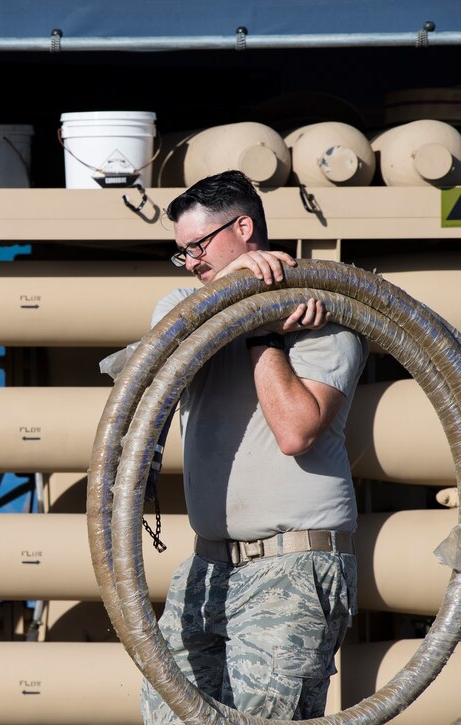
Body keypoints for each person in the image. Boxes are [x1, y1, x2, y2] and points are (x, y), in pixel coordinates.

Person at [139, 170, 369, 722]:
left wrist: (264, 330)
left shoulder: (328, 321)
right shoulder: (188, 307)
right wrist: (235, 292)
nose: (191, 262)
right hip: (209, 563)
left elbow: (296, 430)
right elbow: (158, 355)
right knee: (166, 712)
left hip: (291, 568)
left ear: (244, 227)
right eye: (182, 252)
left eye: (198, 246)